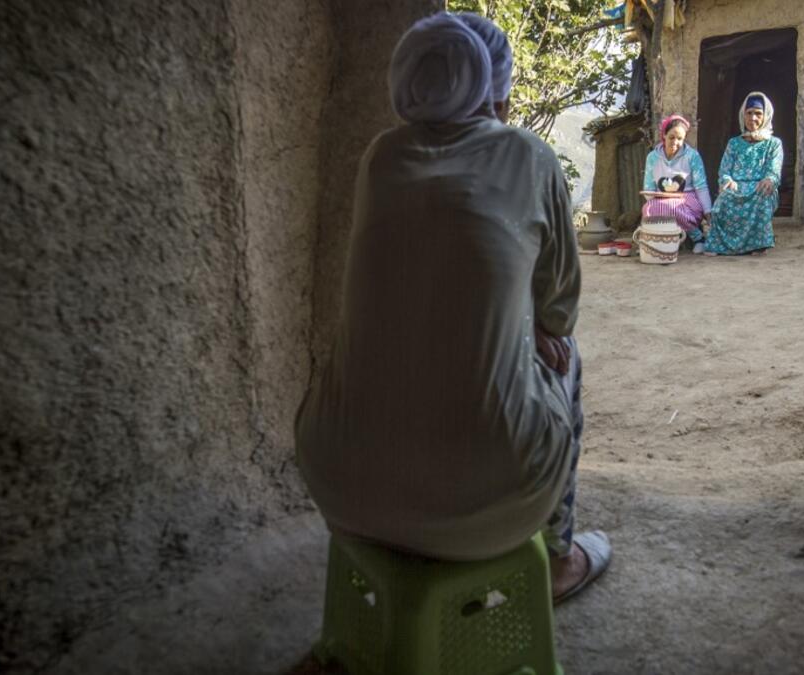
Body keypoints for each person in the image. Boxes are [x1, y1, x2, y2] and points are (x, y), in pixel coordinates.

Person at [295, 12, 610, 605]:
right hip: (493, 500)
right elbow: (560, 308)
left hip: (339, 486)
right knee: (566, 356)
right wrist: (537, 328)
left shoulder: (380, 159)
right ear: (498, 89)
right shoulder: (530, 156)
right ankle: (559, 558)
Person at [704, 92, 783, 256]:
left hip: (760, 187)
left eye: (758, 113)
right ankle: (721, 245)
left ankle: (758, 245)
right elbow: (724, 170)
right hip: (736, 187)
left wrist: (770, 179)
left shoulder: (774, 144)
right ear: (743, 114)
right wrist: (727, 180)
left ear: (766, 115)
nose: (753, 118)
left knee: (763, 195)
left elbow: (774, 170)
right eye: (749, 113)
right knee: (723, 200)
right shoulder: (734, 143)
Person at [641, 114, 714, 251]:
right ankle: (657, 241)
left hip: (688, 199)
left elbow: (701, 186)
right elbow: (648, 187)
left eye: (680, 139)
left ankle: (697, 237)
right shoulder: (652, 158)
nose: (675, 142)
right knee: (648, 208)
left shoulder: (692, 156)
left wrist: (708, 211)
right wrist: (657, 199)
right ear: (664, 135)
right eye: (671, 137)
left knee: (669, 207)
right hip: (662, 199)